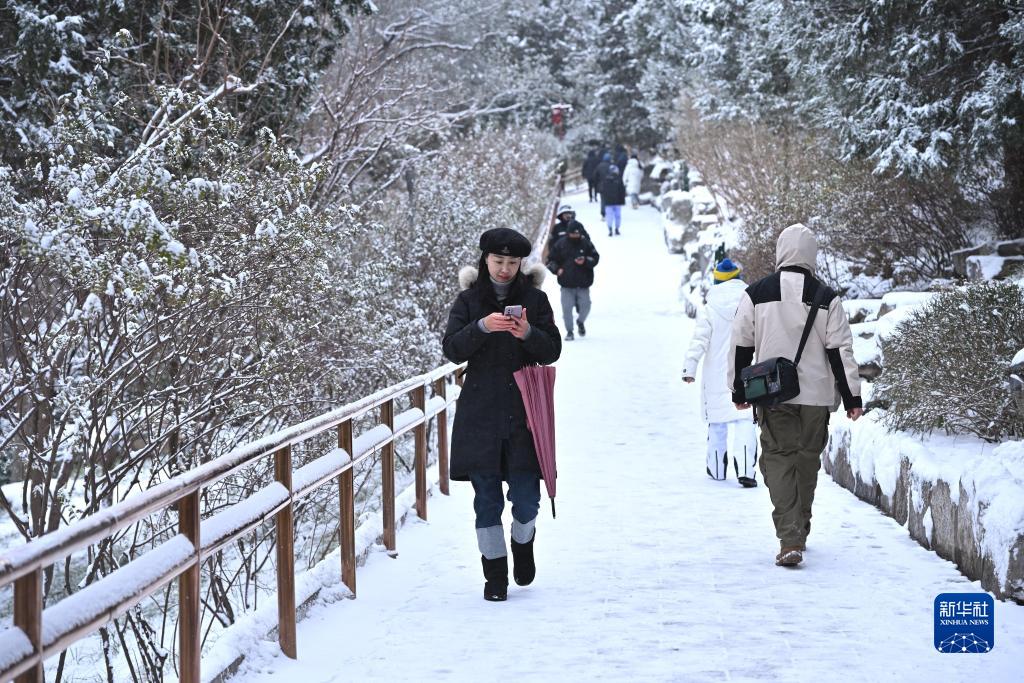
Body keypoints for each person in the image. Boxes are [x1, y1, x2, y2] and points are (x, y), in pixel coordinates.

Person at [728, 223, 863, 568]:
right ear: (811, 255)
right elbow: (840, 351)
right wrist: (851, 398)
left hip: (772, 393)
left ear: (781, 252)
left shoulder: (756, 293)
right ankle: (799, 527)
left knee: (777, 458)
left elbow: (741, 344)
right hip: (815, 397)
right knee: (806, 460)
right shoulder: (826, 297)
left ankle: (790, 538)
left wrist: (738, 389)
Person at [442, 227, 562, 601]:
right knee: (487, 501)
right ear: (485, 260)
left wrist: (527, 333)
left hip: (525, 416)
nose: (505, 269)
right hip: (480, 415)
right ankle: (494, 576)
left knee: (526, 499)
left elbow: (552, 350)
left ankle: (523, 545)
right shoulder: (468, 301)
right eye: (498, 261)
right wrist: (482, 327)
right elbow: (452, 350)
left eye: (512, 262)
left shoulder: (536, 300)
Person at [682, 258, 758, 487]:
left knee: (717, 423)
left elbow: (699, 340)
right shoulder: (750, 303)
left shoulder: (710, 308)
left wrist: (689, 368)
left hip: (716, 376)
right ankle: (746, 470)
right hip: (745, 373)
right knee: (745, 421)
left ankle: (716, 469)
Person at [546, 224, 600, 341]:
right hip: (566, 284)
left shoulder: (586, 243)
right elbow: (549, 260)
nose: (575, 235)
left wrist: (585, 261)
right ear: (568, 233)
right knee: (567, 309)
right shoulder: (560, 244)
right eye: (573, 234)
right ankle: (569, 331)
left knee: (586, 306)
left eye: (577, 233)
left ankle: (580, 321)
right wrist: (556, 269)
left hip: (583, 283)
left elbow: (595, 257)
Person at [599, 164, 626, 236]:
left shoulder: (605, 179)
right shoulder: (619, 179)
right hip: (617, 201)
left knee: (609, 215)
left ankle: (610, 228)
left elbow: (602, 190)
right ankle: (617, 228)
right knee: (618, 216)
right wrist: (622, 200)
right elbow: (622, 191)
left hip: (608, 202)